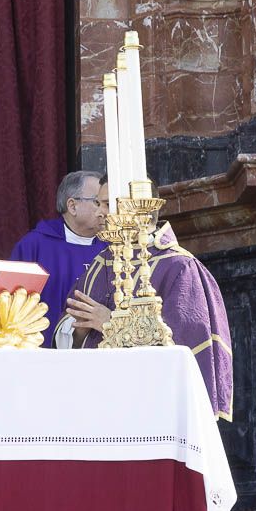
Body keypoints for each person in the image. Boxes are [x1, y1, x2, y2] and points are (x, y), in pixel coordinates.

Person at [55, 180, 233, 420]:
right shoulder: (100, 264)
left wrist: (110, 322)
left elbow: (184, 349)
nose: (99, 212)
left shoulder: (179, 267)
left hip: (153, 408)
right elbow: (71, 330)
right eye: (97, 203)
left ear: (138, 208)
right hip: (97, 405)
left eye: (107, 204)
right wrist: (79, 330)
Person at [8, 170, 108, 347]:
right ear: (72, 206)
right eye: (97, 202)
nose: (104, 211)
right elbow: (11, 309)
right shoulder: (34, 246)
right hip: (45, 354)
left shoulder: (112, 247)